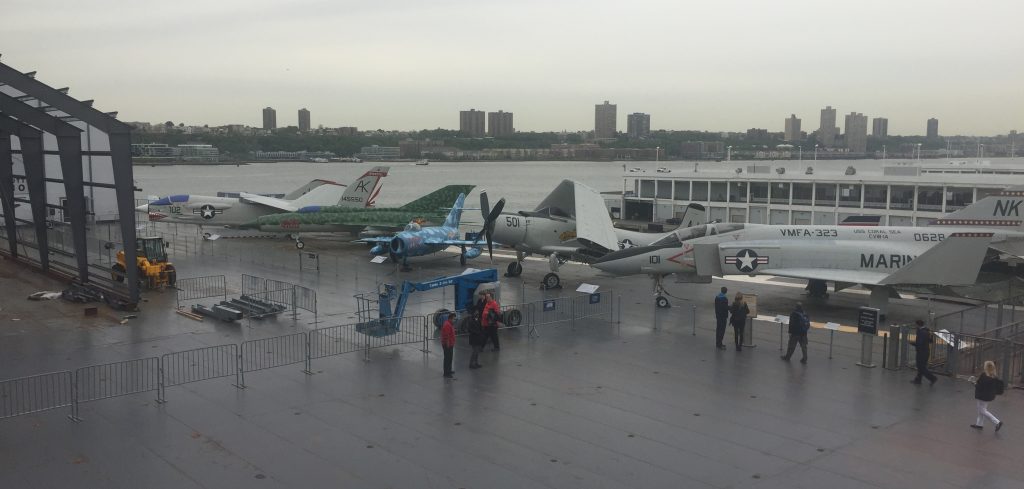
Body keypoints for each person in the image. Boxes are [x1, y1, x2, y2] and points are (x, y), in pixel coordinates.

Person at [971, 360, 1005, 431]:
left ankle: (997, 422)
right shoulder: (994, 376)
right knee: (982, 409)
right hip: (988, 396)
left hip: (981, 396)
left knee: (982, 410)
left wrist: (974, 383)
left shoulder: (984, 375)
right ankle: (979, 424)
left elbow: (979, 386)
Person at [910, 319, 937, 385]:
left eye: (915, 325)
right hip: (926, 351)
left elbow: (920, 343)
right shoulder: (926, 331)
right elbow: (930, 341)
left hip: (921, 352)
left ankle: (932, 378)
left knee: (921, 367)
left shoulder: (922, 332)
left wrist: (912, 343)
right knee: (920, 366)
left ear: (918, 325)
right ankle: (918, 380)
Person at [441, 312, 456, 378]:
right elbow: (447, 336)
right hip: (448, 344)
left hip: (450, 343)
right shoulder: (447, 325)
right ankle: (446, 373)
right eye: (454, 319)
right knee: (447, 358)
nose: (454, 320)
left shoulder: (450, 324)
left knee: (450, 358)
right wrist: (448, 344)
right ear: (450, 319)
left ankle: (449, 370)